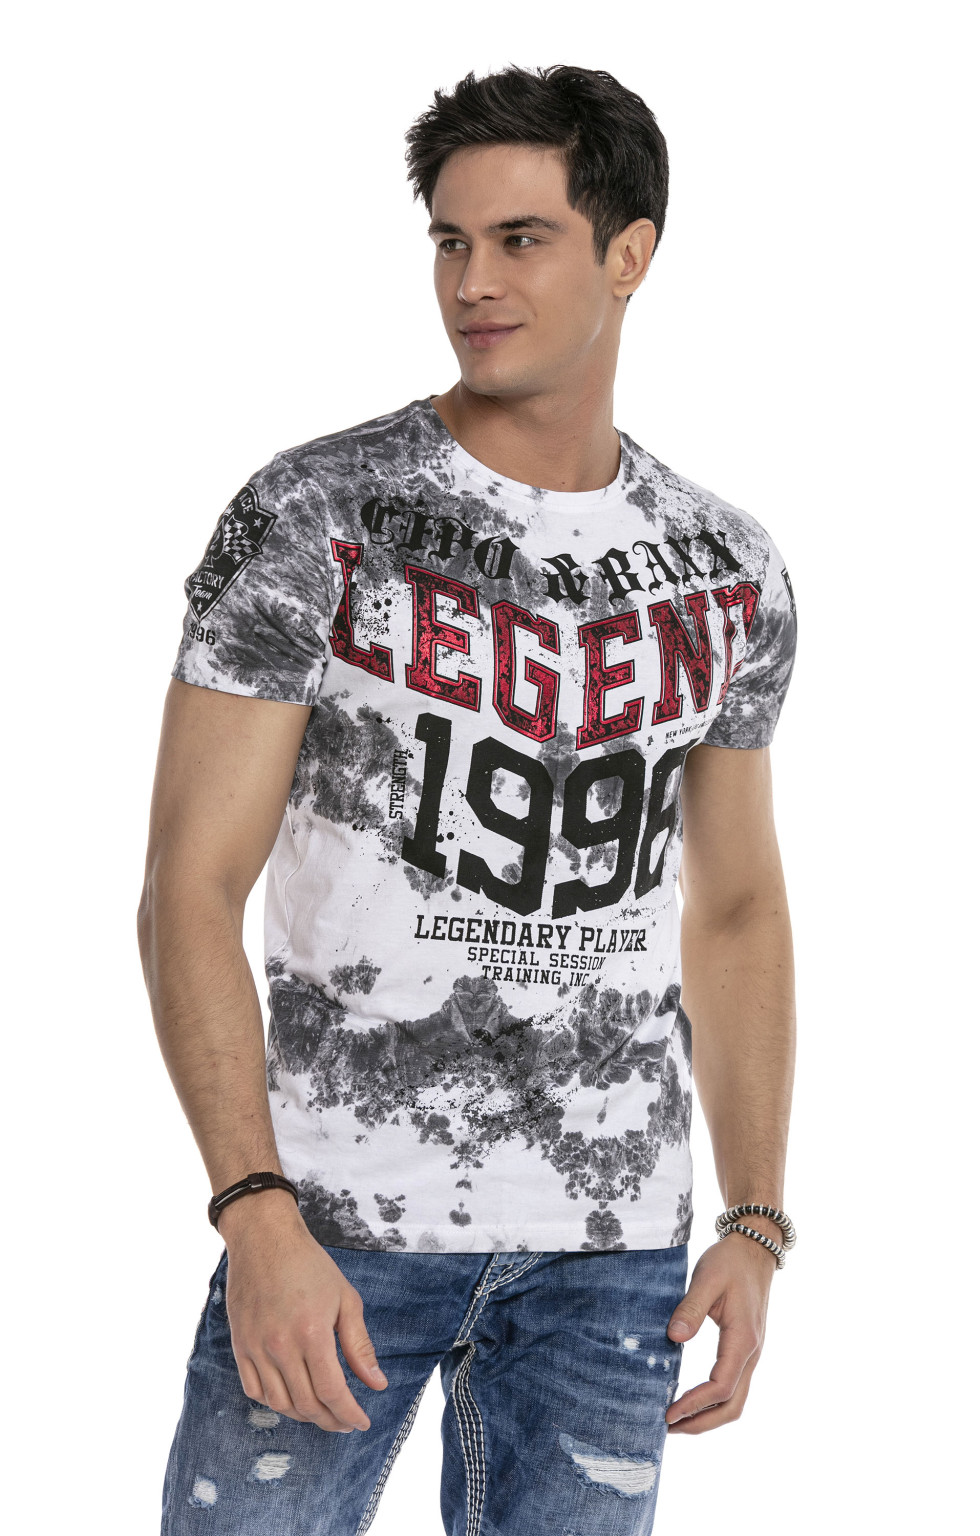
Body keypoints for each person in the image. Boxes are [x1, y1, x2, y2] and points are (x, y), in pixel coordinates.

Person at [139, 61, 798, 1536]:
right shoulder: (319, 515)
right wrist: (254, 1210)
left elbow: (740, 906)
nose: (472, 281)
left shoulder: (727, 568)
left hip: (613, 1252)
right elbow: (189, 884)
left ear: (630, 253)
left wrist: (755, 1217)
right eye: (450, 239)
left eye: (521, 239)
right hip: (336, 1228)